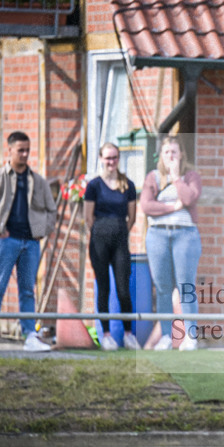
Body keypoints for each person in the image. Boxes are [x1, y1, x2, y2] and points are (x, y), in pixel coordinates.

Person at [0, 131, 56, 353]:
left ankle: (30, 336)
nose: (25, 154)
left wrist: (41, 231)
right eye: (20, 150)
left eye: (27, 150)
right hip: (6, 242)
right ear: (9, 150)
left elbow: (51, 210)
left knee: (28, 290)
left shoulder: (38, 181)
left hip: (31, 243)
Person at [139, 137, 203, 351]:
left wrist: (176, 177)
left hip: (185, 235)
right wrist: (173, 208)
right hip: (157, 235)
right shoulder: (153, 177)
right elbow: (147, 206)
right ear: (161, 156)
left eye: (174, 152)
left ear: (181, 154)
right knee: (163, 287)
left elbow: (189, 198)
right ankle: (166, 336)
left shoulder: (190, 176)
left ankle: (190, 336)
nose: (171, 156)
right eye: (167, 152)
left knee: (186, 286)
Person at [84, 142, 140, 351]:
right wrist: (101, 231)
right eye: (108, 158)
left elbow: (132, 217)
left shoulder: (128, 185)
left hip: (120, 243)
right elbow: (88, 217)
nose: (111, 162)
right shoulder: (93, 186)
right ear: (101, 159)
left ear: (119, 159)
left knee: (123, 289)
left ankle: (128, 334)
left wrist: (118, 230)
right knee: (104, 288)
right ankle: (106, 335)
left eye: (114, 157)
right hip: (99, 242)